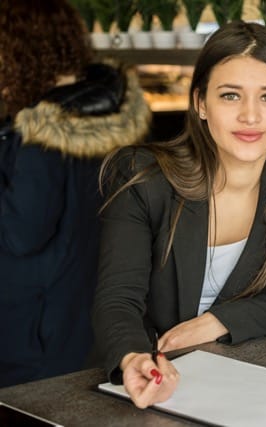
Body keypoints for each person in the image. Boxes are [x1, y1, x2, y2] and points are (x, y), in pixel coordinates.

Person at [92, 22, 266, 409]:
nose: (250, 116)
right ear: (200, 103)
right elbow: (117, 301)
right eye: (230, 96)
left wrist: (222, 321)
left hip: (247, 380)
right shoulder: (143, 177)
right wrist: (133, 359)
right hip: (159, 380)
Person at [0, 0, 151, 387]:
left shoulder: (38, 132)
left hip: (28, 331)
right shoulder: (99, 109)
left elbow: (21, 232)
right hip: (75, 318)